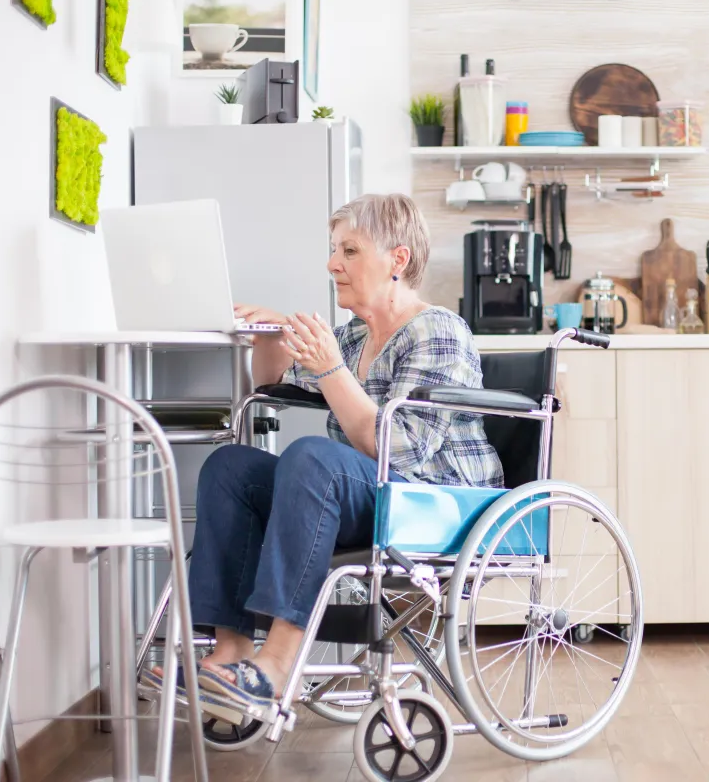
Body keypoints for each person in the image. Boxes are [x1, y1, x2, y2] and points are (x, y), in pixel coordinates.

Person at [145, 193, 503, 711]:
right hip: (367, 495)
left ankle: (276, 666)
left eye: (350, 251)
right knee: (230, 467)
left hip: (436, 502)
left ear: (397, 260)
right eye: (335, 249)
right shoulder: (357, 335)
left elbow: (396, 449)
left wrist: (331, 369)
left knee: (313, 457)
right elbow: (270, 382)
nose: (333, 263)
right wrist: (271, 334)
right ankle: (229, 657)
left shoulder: (437, 331)